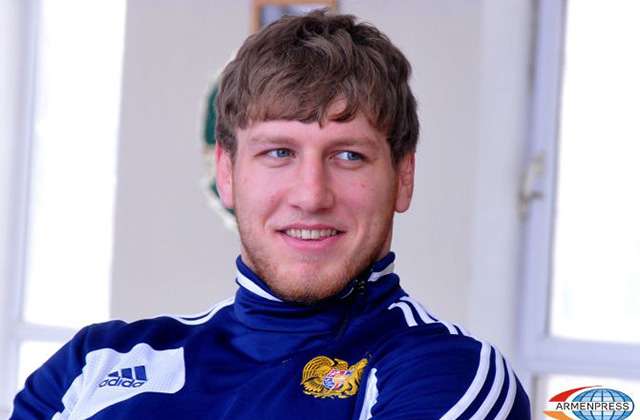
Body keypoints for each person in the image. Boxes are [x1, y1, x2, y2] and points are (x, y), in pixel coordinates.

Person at [11, 10, 531, 419]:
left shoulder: (451, 376)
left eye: (349, 155)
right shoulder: (93, 365)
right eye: (279, 152)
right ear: (227, 173)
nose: (311, 195)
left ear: (404, 177)